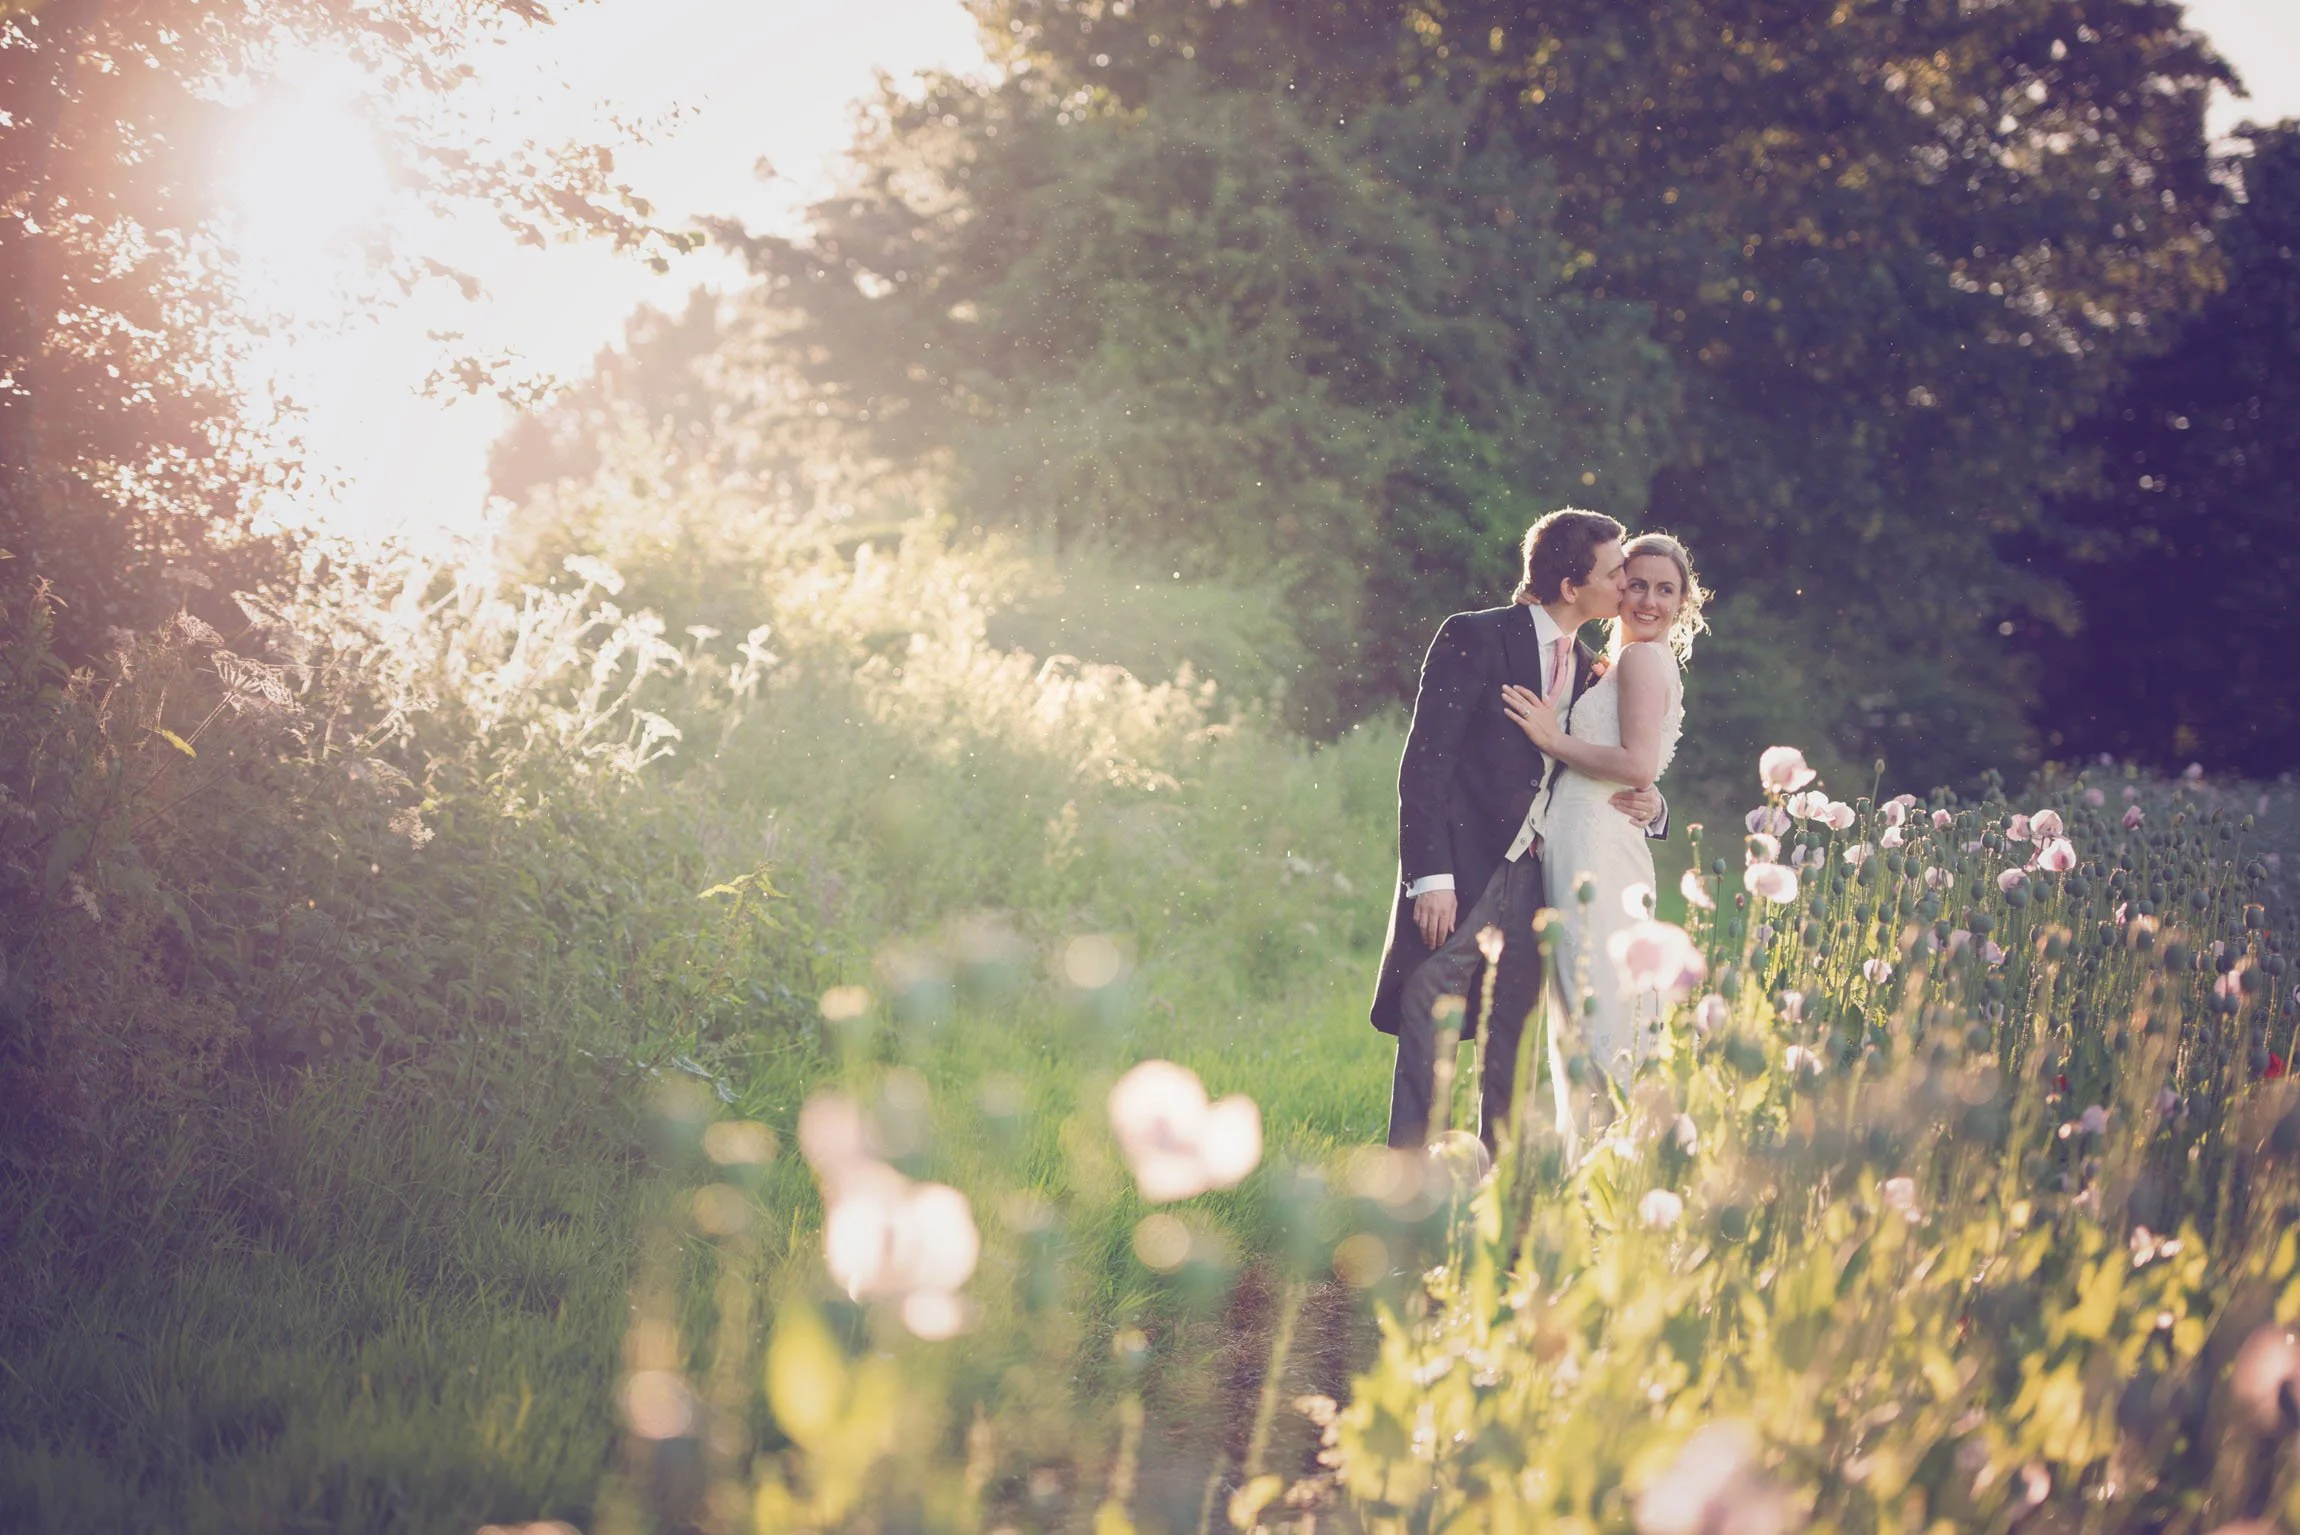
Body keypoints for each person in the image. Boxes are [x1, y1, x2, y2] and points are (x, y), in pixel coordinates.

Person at [1372, 509, 1666, 1150]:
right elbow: (1426, 767)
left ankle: (1494, 1216)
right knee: (1429, 1020)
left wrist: (1654, 802)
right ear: (1571, 585)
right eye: (1616, 573)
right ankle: (1400, 1208)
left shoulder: (1592, 665)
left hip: (1540, 878)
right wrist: (1431, 878)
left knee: (1512, 1049)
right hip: (1464, 872)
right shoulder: (1476, 637)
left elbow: (1599, 760)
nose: (1626, 585)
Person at [1502, 532, 1706, 1135]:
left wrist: (1551, 740)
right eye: (1635, 582)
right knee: (1589, 996)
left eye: (1665, 590)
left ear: (1683, 601)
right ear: (1616, 587)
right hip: (1590, 839)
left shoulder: (1642, 658)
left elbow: (1638, 765)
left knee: (1595, 1002)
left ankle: (1615, 1152)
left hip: (1593, 845)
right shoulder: (1618, 659)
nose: (1647, 599)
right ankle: (1598, 1163)